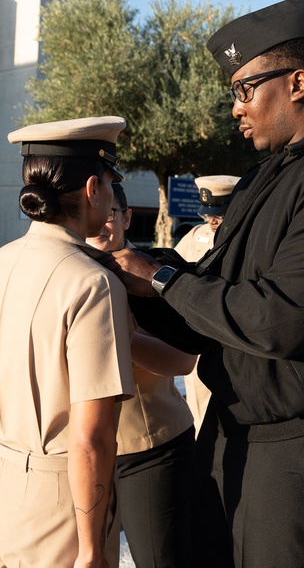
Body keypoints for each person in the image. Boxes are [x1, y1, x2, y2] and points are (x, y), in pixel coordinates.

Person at [109, 0, 304, 568]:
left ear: (296, 83)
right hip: (230, 426)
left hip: (297, 445)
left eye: (245, 90)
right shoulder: (263, 180)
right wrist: (130, 277)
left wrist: (164, 279)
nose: (236, 108)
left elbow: (278, 320)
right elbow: (212, 310)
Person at [0, 116, 135, 568]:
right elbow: (91, 436)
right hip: (55, 506)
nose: (110, 199)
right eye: (110, 184)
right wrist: (90, 549)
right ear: (93, 188)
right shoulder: (92, 283)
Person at [87, 182, 197, 568]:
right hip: (83, 451)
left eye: (111, 213)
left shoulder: (151, 272)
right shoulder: (68, 275)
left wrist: (109, 340)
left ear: (127, 217)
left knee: (159, 559)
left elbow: (184, 360)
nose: (101, 222)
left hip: (150, 446)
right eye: (94, 213)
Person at [173, 174, 239, 434]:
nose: (211, 221)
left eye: (219, 215)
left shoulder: (245, 236)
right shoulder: (196, 235)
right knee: (200, 414)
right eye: (207, 215)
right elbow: (174, 269)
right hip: (199, 338)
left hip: (231, 340)